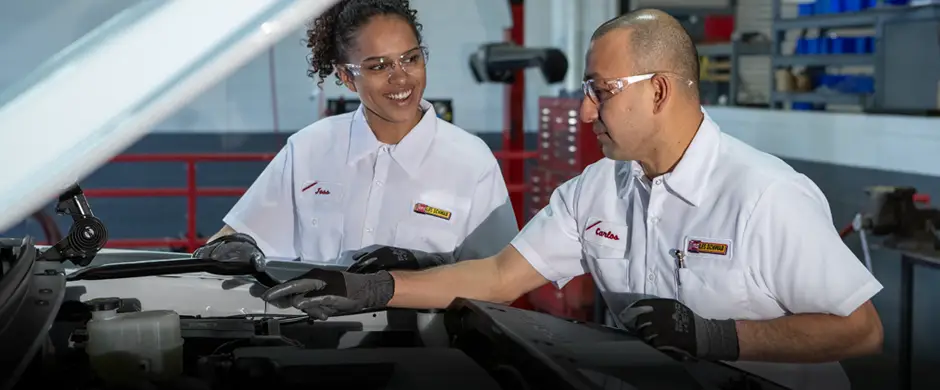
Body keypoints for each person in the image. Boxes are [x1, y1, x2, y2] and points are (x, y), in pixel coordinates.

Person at [256, 9, 884, 390]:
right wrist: (375, 288)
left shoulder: (763, 195)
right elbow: (501, 275)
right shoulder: (597, 190)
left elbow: (859, 330)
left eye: (600, 91)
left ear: (658, 91)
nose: (585, 112)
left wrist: (720, 336)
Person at [193, 0, 519, 270]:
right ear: (347, 78)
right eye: (379, 66)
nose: (401, 79)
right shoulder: (309, 149)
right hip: (313, 339)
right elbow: (236, 238)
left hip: (426, 345)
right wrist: (225, 252)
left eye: (411, 59)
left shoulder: (471, 161)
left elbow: (498, 277)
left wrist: (420, 269)